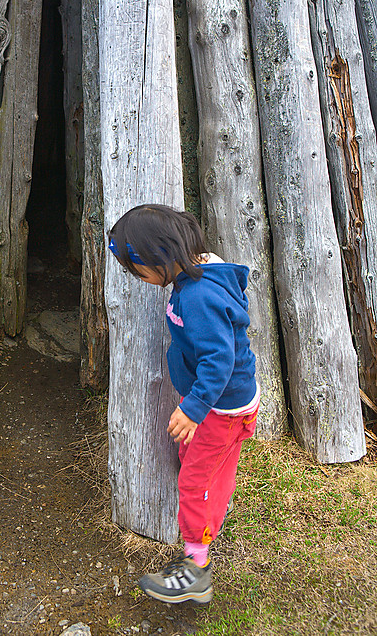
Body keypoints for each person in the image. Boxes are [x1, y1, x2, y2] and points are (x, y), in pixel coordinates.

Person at [108, 204, 260, 606]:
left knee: (194, 481)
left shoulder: (198, 296)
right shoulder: (196, 274)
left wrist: (194, 408)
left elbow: (219, 359)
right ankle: (208, 521)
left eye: (135, 268)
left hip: (219, 408)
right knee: (204, 467)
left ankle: (196, 568)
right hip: (225, 404)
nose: (136, 278)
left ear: (160, 258)